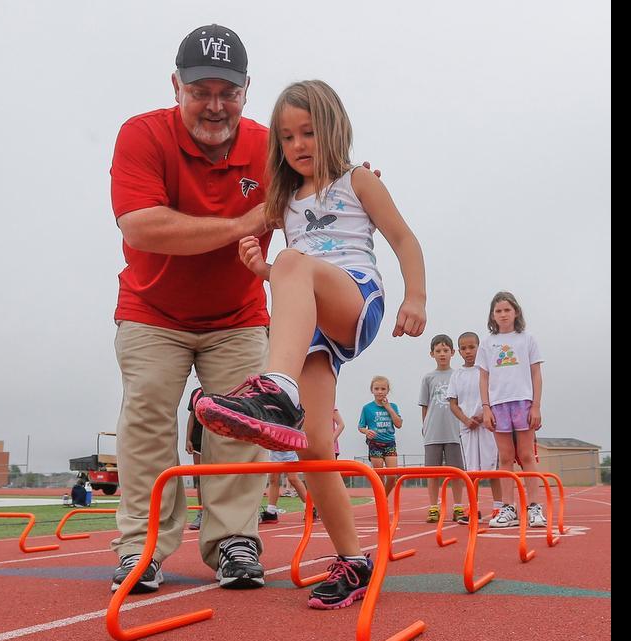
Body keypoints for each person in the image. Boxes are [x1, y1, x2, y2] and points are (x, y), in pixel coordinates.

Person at [195, 80, 427, 610]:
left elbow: (404, 239)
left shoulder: (358, 180)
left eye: (309, 133)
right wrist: (263, 268)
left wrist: (416, 297)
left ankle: (274, 390)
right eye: (287, 136)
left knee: (294, 265)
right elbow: (286, 276)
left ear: (334, 131)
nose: (299, 145)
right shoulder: (283, 199)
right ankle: (353, 560)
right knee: (316, 447)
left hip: (355, 299)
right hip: (315, 327)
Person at [107, 23, 276, 594]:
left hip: (238, 314)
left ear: (246, 90)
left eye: (227, 92)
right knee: (148, 419)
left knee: (238, 425)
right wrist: (243, 225)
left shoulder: (267, 146)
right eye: (200, 90)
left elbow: (324, 195)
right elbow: (142, 226)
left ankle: (234, 540)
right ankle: (142, 547)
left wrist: (359, 187)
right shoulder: (142, 135)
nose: (214, 105)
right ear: (175, 85)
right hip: (153, 310)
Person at [479, 292, 546, 528]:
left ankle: (534, 507)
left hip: (523, 402)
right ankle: (508, 507)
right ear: (492, 315)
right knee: (505, 457)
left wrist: (536, 405)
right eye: (498, 311)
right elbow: (484, 377)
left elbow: (536, 373)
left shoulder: (527, 339)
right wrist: (486, 408)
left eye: (507, 310)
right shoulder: (487, 343)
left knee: (526, 455)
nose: (503, 314)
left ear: (516, 312)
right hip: (498, 405)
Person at [448, 331, 503, 522]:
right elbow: (453, 404)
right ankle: (473, 508)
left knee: (492, 469)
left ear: (479, 348)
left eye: (472, 347)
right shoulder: (457, 375)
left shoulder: (486, 371)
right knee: (472, 471)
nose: (468, 351)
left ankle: (498, 508)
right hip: (467, 428)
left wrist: (482, 415)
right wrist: (466, 420)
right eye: (464, 348)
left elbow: (495, 395)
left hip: (487, 425)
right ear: (459, 351)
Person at [419, 335, 467, 524]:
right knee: (432, 472)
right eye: (438, 351)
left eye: (445, 350)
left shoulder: (458, 375)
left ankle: (457, 506)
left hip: (454, 431)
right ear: (432, 354)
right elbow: (425, 404)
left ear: (453, 353)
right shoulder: (428, 378)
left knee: (456, 472)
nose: (442, 354)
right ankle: (433, 507)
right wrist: (425, 426)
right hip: (433, 432)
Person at [358, 376, 402, 496]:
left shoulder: (393, 406)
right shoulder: (367, 408)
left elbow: (399, 424)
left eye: (383, 389)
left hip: (390, 443)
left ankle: (383, 496)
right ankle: (381, 500)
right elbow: (360, 427)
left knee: (392, 476)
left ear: (387, 391)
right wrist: (366, 432)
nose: (380, 391)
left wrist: (388, 408)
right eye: (376, 388)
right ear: (372, 390)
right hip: (375, 444)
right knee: (379, 476)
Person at [183, 388, 205, 531]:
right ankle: (201, 513)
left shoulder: (222, 388)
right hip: (198, 439)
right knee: (200, 478)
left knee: (219, 477)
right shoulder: (196, 392)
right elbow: (192, 416)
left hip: (217, 440)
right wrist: (188, 439)